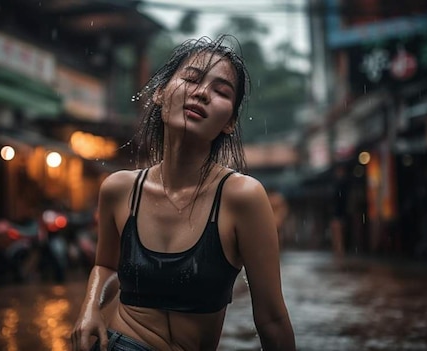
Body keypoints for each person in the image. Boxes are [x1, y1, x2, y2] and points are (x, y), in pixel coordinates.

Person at [71, 35, 296, 351]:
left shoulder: (242, 197)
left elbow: (271, 319)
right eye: (191, 78)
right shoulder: (119, 189)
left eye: (220, 91)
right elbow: (106, 266)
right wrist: (89, 307)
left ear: (229, 122)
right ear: (161, 94)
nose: (202, 93)